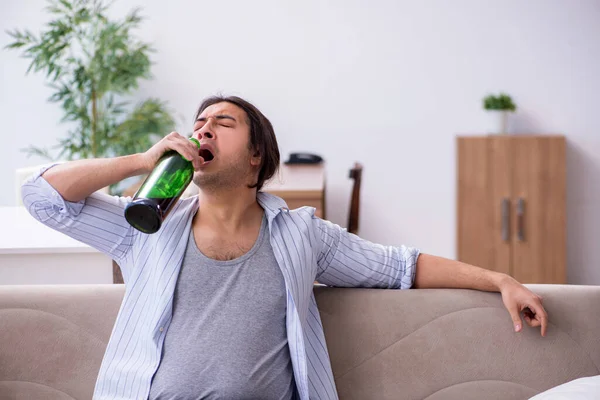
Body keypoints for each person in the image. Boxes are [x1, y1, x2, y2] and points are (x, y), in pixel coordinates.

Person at [22, 95, 548, 400]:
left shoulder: (301, 234)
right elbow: (41, 196)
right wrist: (142, 160)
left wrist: (499, 279)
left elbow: (399, 266)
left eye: (222, 124)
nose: (203, 129)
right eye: (199, 123)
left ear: (255, 157)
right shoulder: (145, 227)